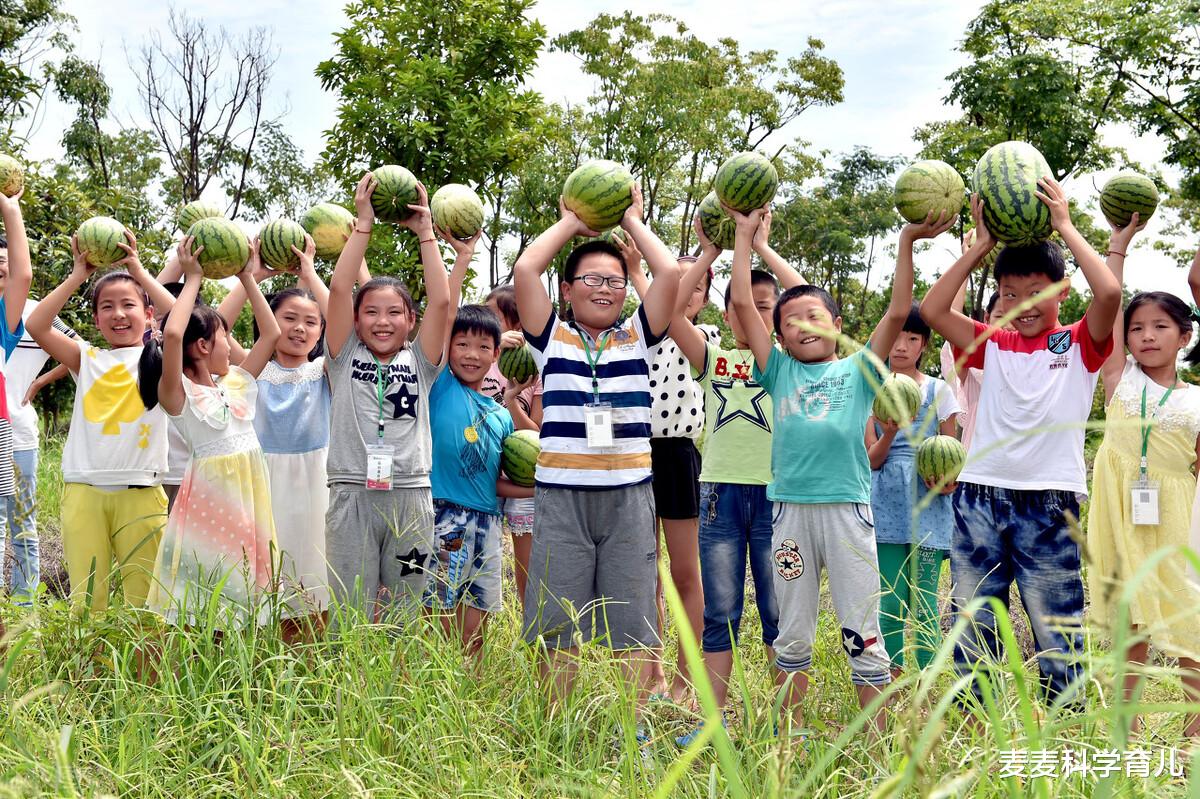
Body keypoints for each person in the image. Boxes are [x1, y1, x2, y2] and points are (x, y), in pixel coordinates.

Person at [732, 198, 948, 734]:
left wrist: (905, 242)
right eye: (789, 321)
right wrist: (743, 238)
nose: (803, 327)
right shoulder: (776, 371)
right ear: (777, 336)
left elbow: (898, 311)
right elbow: (740, 300)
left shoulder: (858, 370)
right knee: (793, 629)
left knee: (862, 627)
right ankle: (788, 736)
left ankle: (877, 740)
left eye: (814, 317)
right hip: (789, 517)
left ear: (838, 325)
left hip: (850, 516)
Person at [919, 182, 1122, 709]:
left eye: (1035, 292)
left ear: (1061, 291)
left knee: (1058, 628)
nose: (1021, 305)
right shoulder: (996, 341)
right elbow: (935, 309)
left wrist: (1066, 228)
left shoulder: (1078, 342)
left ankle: (1063, 730)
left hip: (1050, 502)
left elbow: (1110, 296)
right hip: (980, 495)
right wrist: (980, 246)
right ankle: (976, 728)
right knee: (973, 622)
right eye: (1009, 295)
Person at [514, 187, 679, 724]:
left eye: (613, 280)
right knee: (556, 620)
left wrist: (631, 220)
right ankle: (556, 727)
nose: (603, 288)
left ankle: (635, 730)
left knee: (634, 618)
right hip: (562, 500)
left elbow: (670, 275)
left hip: (630, 498)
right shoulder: (549, 337)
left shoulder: (638, 336)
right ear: (567, 289)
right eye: (591, 279)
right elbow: (525, 269)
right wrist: (570, 222)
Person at [671, 210, 805, 746]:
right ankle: (713, 720)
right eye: (743, 307)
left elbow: (809, 299)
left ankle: (785, 725)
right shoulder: (713, 358)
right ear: (727, 316)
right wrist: (710, 253)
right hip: (719, 496)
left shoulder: (791, 362)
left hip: (778, 496)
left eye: (766, 308)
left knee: (780, 614)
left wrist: (761, 247)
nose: (753, 314)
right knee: (721, 612)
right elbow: (672, 312)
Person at [323, 173, 452, 623]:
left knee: (406, 608)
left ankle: (399, 685)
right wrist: (363, 225)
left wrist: (427, 234)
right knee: (347, 609)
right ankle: (348, 690)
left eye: (394, 312)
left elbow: (443, 304)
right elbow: (340, 289)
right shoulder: (342, 355)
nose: (382, 321)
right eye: (371, 312)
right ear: (356, 321)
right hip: (351, 495)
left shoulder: (422, 360)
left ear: (410, 320)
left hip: (411, 497)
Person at [1089, 216, 1200, 736]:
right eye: (1137, 328)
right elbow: (1108, 303)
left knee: (1189, 629)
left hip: (1179, 518)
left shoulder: (1197, 397)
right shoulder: (1119, 376)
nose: (1147, 336)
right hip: (1123, 513)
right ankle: (1125, 733)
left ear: (1185, 335)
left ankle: (1191, 739)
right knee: (1129, 624)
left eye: (1160, 327)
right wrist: (1118, 247)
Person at [27, 230, 176, 612]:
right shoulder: (87, 358)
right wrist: (78, 275)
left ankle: (144, 673)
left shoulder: (159, 359)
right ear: (95, 318)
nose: (118, 314)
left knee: (145, 605)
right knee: (86, 604)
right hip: (84, 492)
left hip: (141, 493)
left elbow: (181, 319)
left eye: (129, 304)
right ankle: (90, 673)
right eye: (106, 307)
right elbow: (38, 325)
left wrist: (138, 270)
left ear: (148, 315)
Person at [139, 237, 281, 627]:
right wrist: (193, 279)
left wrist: (247, 278)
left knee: (244, 585)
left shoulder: (234, 382)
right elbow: (171, 335)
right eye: (224, 339)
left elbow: (271, 336)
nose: (230, 348)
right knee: (209, 587)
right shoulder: (177, 394)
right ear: (201, 346)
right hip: (211, 502)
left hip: (248, 497)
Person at [217, 234, 334, 641]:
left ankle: (308, 664)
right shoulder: (251, 368)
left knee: (311, 575)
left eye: (311, 322)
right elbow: (217, 325)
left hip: (313, 485)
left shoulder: (325, 373)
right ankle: (260, 667)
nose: (300, 329)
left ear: (321, 332)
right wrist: (253, 275)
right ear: (269, 319)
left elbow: (346, 324)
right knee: (260, 578)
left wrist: (310, 273)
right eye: (289, 318)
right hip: (260, 483)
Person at [619, 229, 717, 705]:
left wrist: (707, 254)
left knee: (684, 573)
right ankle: (650, 676)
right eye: (676, 279)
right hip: (633, 453)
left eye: (695, 284)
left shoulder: (707, 339)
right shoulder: (637, 332)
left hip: (678, 456)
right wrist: (640, 271)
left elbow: (672, 305)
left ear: (705, 295)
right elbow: (660, 301)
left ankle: (686, 679)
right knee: (643, 572)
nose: (684, 289)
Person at [865, 303, 960, 675]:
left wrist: (947, 480)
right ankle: (892, 678)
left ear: (924, 345)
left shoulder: (939, 391)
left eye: (913, 338)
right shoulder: (872, 392)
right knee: (890, 601)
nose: (902, 346)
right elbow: (871, 460)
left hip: (928, 501)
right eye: (897, 337)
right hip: (886, 497)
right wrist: (888, 432)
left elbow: (951, 452)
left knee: (924, 602)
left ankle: (926, 682)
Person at [0, 229, 58, 605]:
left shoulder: (27, 313)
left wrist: (38, 383)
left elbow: (79, 353)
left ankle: (23, 609)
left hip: (14, 433)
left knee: (22, 525)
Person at [481, 284, 542, 612]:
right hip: (480, 470)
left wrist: (511, 401)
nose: (488, 324)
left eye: (495, 317)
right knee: (478, 560)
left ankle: (532, 630)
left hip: (521, 475)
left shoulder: (535, 370)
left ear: (517, 325)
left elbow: (536, 432)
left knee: (527, 566)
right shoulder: (475, 360)